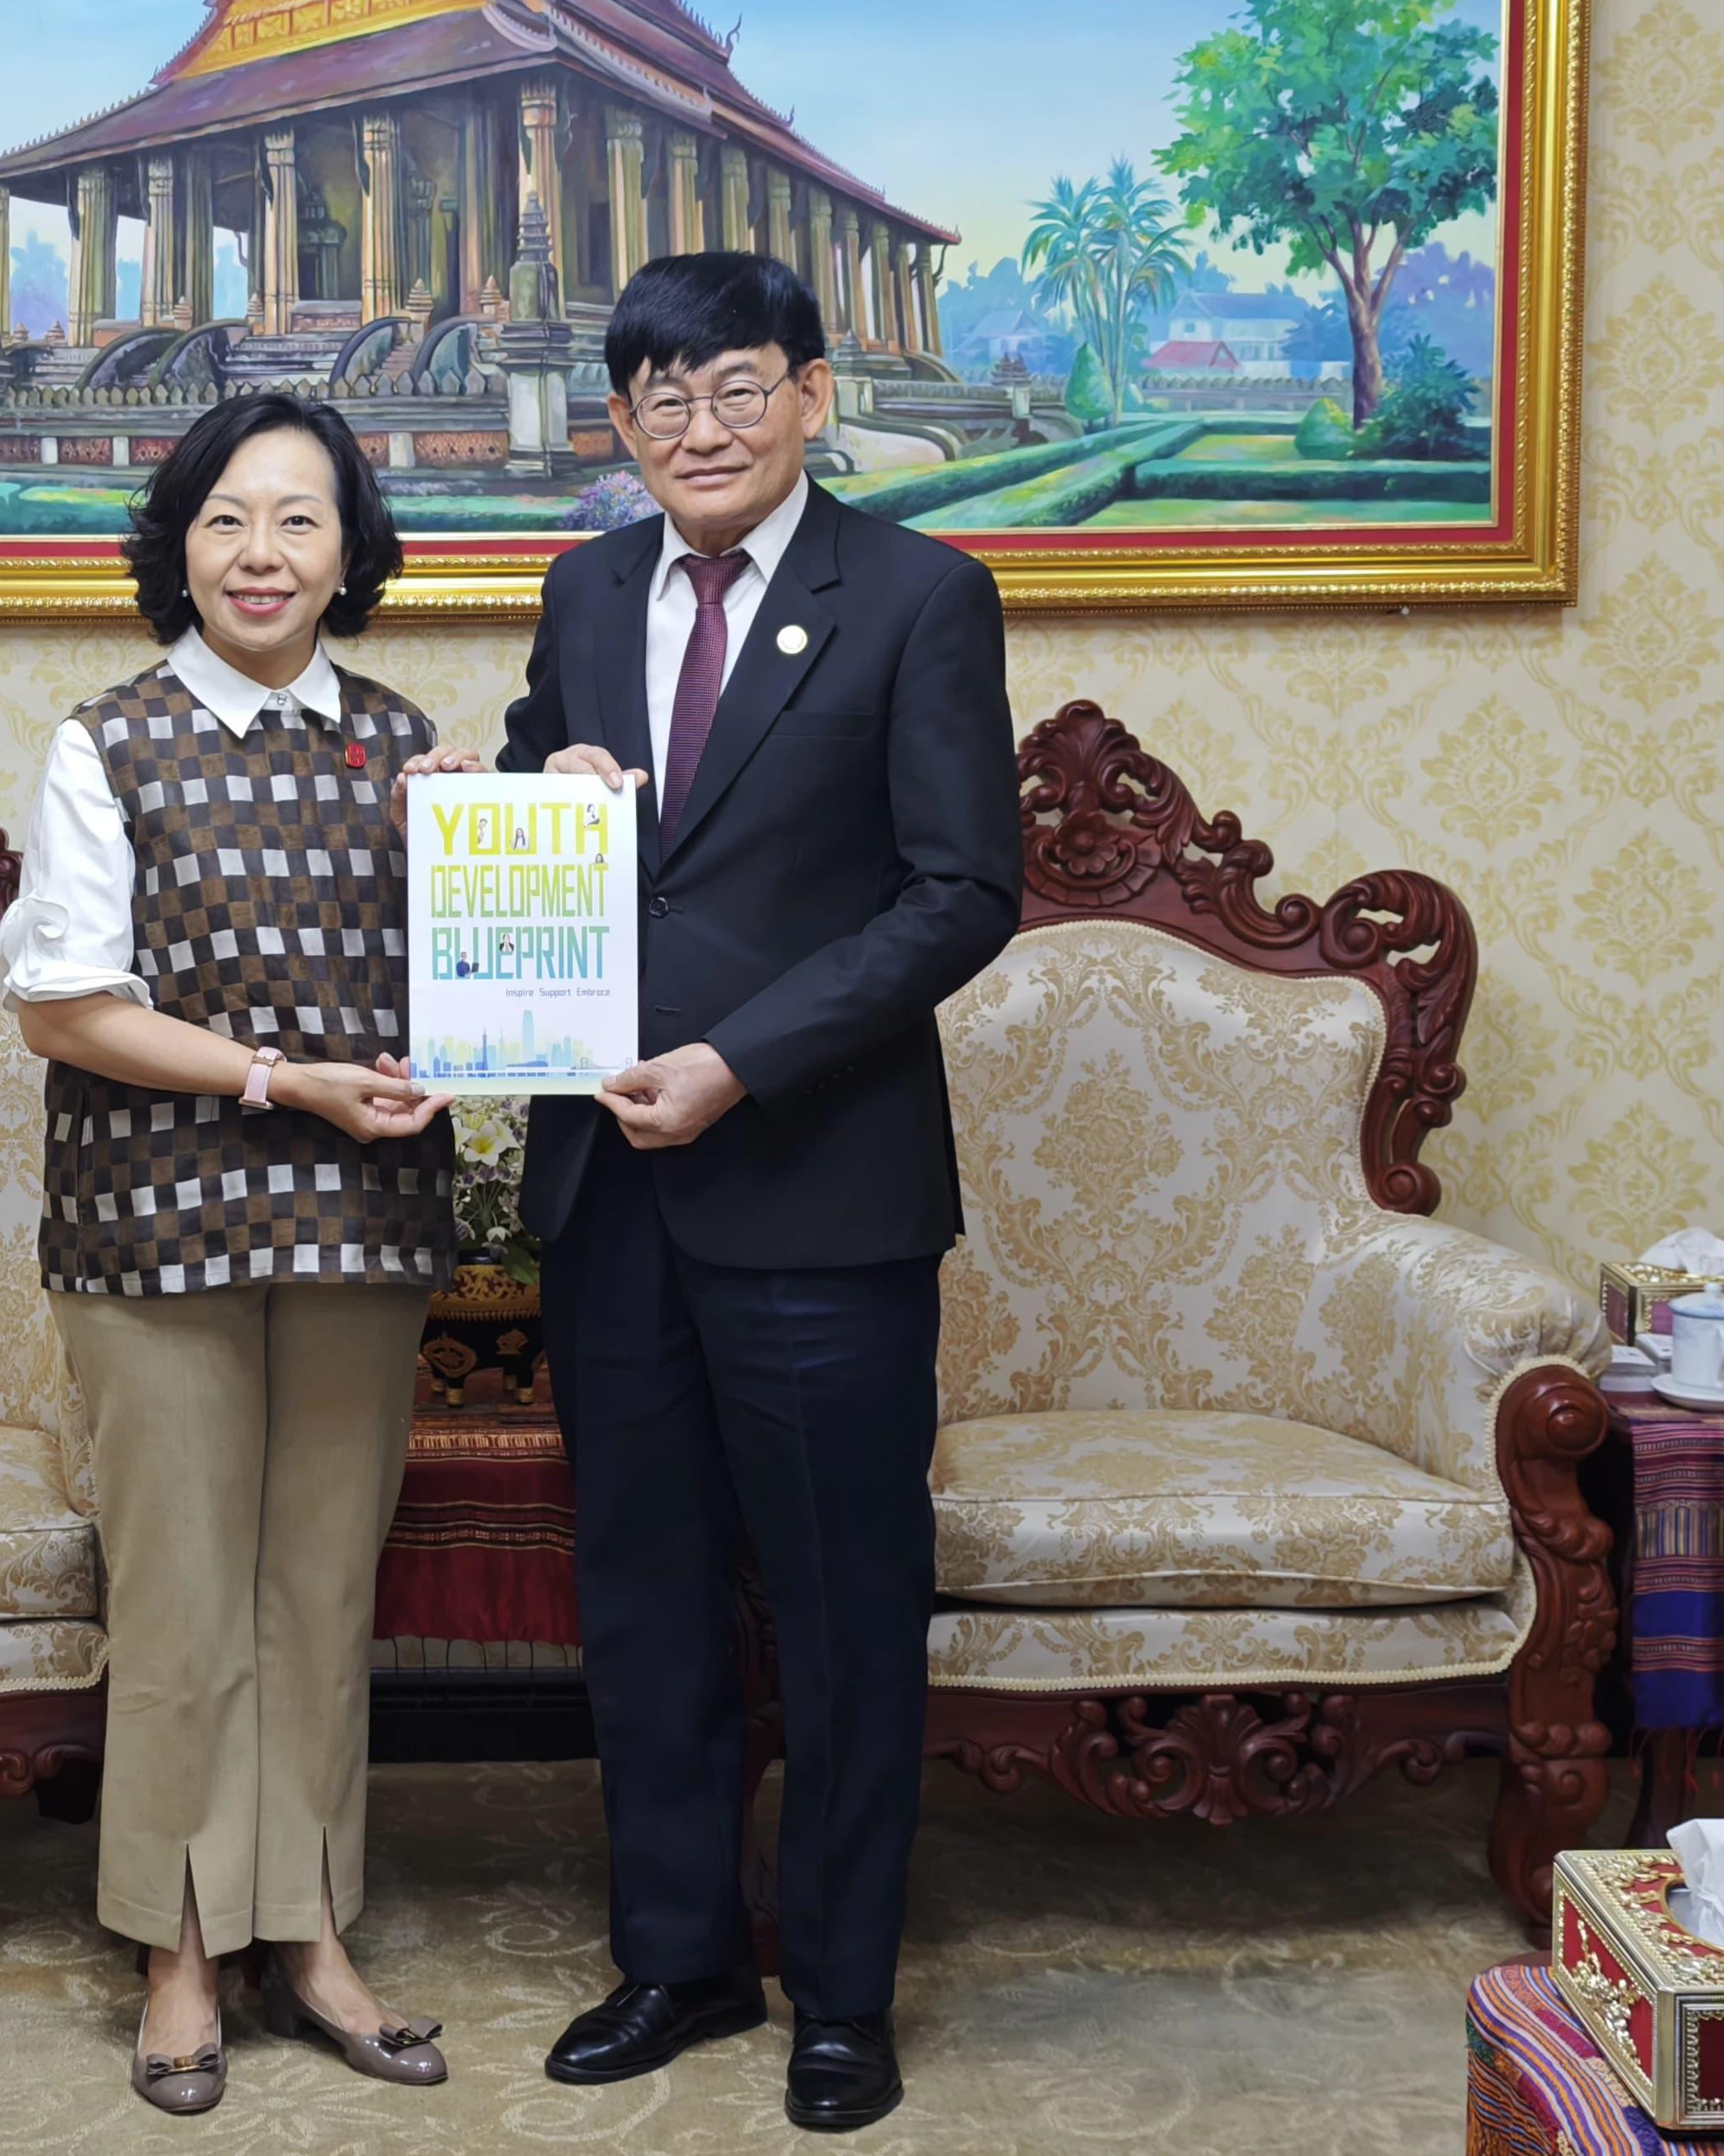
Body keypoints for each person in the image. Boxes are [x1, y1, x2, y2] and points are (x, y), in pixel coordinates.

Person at [495, 250, 1022, 2132]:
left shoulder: (920, 596)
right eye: (659, 396)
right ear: (619, 422)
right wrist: (540, 784)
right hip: (607, 1186)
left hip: (818, 1181)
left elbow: (961, 891)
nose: (697, 426)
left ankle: (842, 1987)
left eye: (735, 387)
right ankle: (679, 1953)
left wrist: (742, 1059)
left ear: (811, 393)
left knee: (841, 1600)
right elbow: (527, 841)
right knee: (638, 1596)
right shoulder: (577, 586)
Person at [0, 388, 465, 2118]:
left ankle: (311, 1925)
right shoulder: (103, 741)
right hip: (150, 1217)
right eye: (226, 519)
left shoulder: (412, 745)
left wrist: (506, 843)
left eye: (299, 520)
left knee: (323, 1589)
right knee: (184, 1590)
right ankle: (183, 1943)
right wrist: (280, 1076)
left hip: (366, 1215)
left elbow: (482, 985)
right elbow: (64, 1003)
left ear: (353, 552)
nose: (262, 553)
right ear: (176, 542)